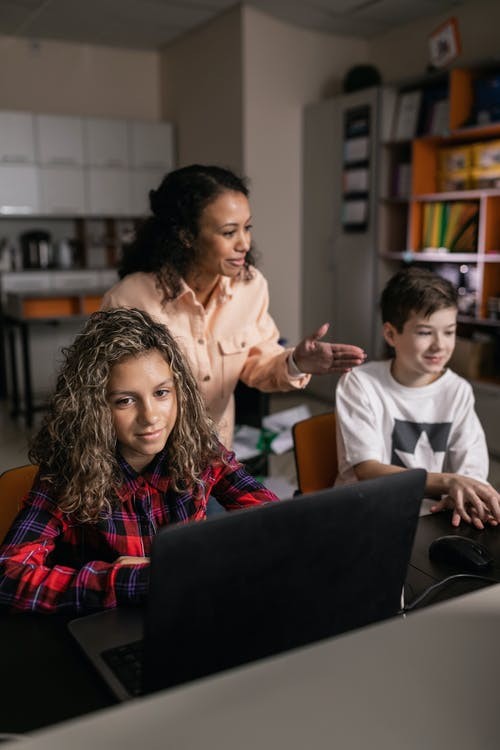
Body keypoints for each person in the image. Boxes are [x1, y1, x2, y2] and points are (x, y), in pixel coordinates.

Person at [0, 308, 278, 614]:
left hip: (186, 613)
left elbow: (275, 523)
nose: (150, 417)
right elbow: (9, 575)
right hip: (103, 628)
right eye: (125, 401)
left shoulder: (198, 446)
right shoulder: (67, 472)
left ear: (179, 392)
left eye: (161, 393)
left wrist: (182, 564)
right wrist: (128, 579)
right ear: (94, 408)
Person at [101, 164, 366, 446]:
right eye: (229, 232)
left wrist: (297, 362)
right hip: (149, 462)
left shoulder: (250, 287)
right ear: (186, 236)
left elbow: (258, 363)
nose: (244, 244)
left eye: (247, 228)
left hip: (215, 456)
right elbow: (110, 397)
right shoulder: (127, 300)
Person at [335, 266, 500, 529]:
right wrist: (448, 482)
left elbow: (471, 468)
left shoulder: (457, 390)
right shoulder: (360, 383)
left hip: (432, 517)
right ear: (391, 334)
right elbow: (367, 470)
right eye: (425, 332)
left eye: (449, 331)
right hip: (367, 515)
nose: (440, 345)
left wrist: (462, 494)